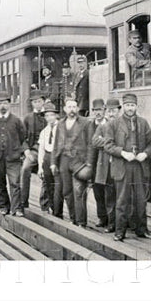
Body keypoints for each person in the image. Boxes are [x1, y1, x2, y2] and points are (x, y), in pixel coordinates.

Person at [104, 93, 151, 242]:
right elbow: (108, 145)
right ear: (123, 107)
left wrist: (145, 154)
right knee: (122, 200)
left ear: (136, 106)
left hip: (139, 167)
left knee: (141, 199)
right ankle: (120, 231)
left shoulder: (143, 123)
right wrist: (122, 153)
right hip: (122, 166)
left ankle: (142, 229)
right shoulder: (113, 124)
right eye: (127, 105)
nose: (130, 108)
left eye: (132, 105)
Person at [51, 98, 94, 227]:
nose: (72, 110)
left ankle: (81, 222)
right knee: (67, 192)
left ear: (77, 109)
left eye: (74, 107)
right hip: (64, 160)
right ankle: (73, 219)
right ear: (65, 109)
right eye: (69, 107)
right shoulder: (60, 124)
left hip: (79, 161)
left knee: (79, 191)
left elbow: (91, 144)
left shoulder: (85, 123)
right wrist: (53, 162)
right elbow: (56, 144)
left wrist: (89, 163)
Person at [0, 91, 27, 217]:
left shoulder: (16, 121)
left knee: (15, 183)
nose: (2, 105)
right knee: (0, 183)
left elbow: (22, 137)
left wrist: (19, 151)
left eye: (5, 103)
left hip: (13, 157)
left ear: (9, 104)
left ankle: (16, 208)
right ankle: (4, 206)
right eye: (0, 103)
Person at [92, 98, 121, 233]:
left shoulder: (123, 126)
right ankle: (111, 223)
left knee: (122, 195)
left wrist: (107, 143)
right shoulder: (102, 127)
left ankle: (122, 223)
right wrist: (111, 143)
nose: (111, 114)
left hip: (121, 165)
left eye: (114, 110)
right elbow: (95, 142)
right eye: (109, 111)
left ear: (119, 111)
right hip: (107, 166)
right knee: (109, 196)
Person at [21, 90, 47, 210]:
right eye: (35, 102)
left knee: (48, 173)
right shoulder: (27, 118)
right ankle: (23, 201)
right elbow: (22, 138)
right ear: (32, 103)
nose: (37, 104)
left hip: (47, 150)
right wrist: (26, 151)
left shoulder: (49, 115)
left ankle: (45, 204)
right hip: (33, 150)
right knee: (25, 168)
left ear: (43, 102)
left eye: (39, 101)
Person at [37, 102, 62, 217]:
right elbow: (41, 149)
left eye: (51, 115)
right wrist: (40, 167)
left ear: (56, 115)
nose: (49, 118)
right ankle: (52, 208)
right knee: (48, 185)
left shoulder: (62, 128)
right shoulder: (44, 131)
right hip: (47, 157)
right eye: (46, 116)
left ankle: (58, 212)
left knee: (58, 186)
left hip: (57, 157)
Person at [87, 99, 109, 228]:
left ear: (104, 110)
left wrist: (101, 141)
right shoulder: (89, 126)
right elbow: (89, 143)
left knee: (109, 191)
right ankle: (102, 217)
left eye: (100, 110)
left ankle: (111, 217)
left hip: (106, 162)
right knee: (97, 191)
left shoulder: (110, 124)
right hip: (93, 162)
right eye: (95, 110)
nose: (97, 113)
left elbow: (111, 142)